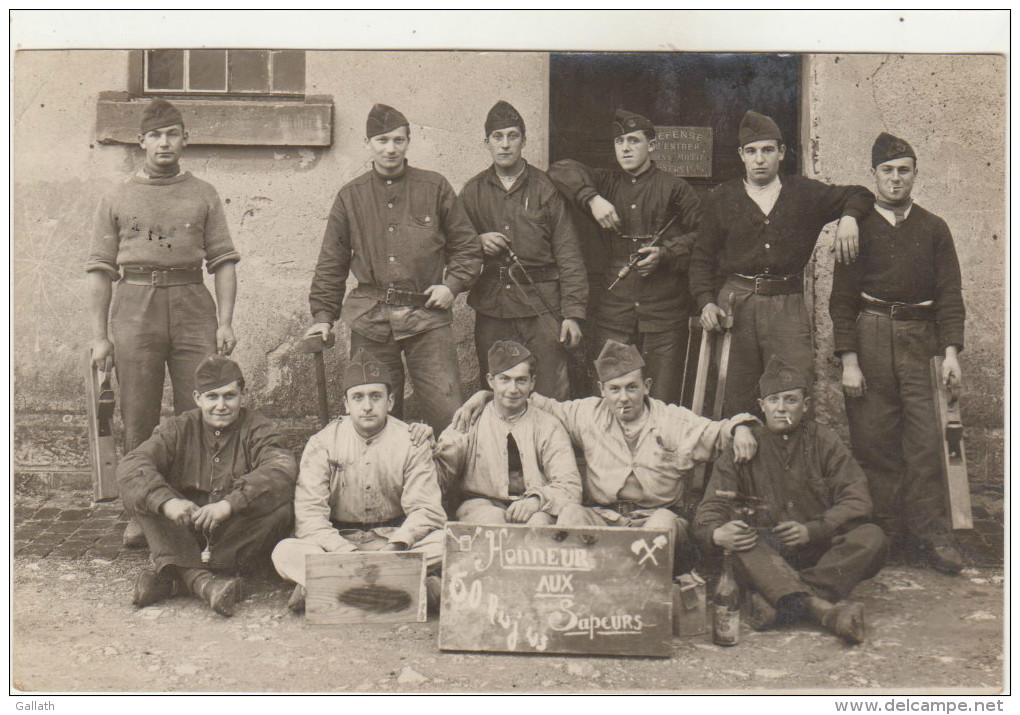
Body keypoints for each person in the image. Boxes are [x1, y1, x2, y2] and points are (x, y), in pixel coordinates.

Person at [452, 339, 759, 574]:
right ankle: (591, 596)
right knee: (570, 514)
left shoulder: (673, 421)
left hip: (655, 519)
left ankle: (638, 598)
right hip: (603, 517)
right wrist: (486, 396)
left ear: (646, 387)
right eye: (614, 389)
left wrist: (742, 426)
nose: (623, 398)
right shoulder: (586, 414)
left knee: (662, 523)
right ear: (602, 389)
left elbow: (719, 433)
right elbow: (526, 399)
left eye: (631, 388)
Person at [87, 97, 240, 547]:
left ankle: (198, 502)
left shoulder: (203, 193)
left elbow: (225, 263)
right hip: (135, 303)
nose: (164, 143)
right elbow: (99, 269)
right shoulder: (116, 196)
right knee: (139, 411)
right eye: (155, 135)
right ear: (141, 142)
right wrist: (99, 337)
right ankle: (142, 511)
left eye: (173, 133)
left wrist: (225, 321)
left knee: (201, 408)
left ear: (185, 140)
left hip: (193, 300)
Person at [829, 133, 966, 574]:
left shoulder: (934, 228)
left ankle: (931, 535)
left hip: (919, 339)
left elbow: (949, 294)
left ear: (914, 174)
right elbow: (842, 300)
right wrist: (848, 360)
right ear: (874, 175)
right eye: (886, 171)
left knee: (926, 443)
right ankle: (883, 534)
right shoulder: (859, 227)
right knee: (873, 440)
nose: (895, 178)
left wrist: (950, 353)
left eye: (903, 170)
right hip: (869, 336)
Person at [306, 103, 482, 434]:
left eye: (398, 140)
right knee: (374, 416)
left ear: (408, 142)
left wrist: (452, 286)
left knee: (448, 413)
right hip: (371, 322)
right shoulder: (350, 196)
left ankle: (450, 483)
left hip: (426, 318)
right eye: (383, 140)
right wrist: (323, 319)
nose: (390, 149)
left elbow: (468, 248)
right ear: (368, 143)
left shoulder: (434, 187)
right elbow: (332, 261)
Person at [693, 356, 889, 644]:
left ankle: (778, 600)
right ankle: (823, 611)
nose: (781, 408)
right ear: (761, 406)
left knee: (872, 537)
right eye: (773, 400)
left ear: (806, 405)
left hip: (817, 550)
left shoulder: (824, 441)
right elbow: (709, 510)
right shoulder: (744, 446)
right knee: (742, 544)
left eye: (791, 400)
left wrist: (813, 529)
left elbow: (857, 500)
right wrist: (717, 533)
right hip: (764, 552)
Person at [690, 110, 874, 416]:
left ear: (782, 153)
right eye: (751, 151)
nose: (759, 159)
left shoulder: (804, 193)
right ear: (741, 155)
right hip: (736, 304)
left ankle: (791, 463)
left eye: (767, 150)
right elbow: (701, 258)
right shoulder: (721, 198)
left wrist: (849, 218)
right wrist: (706, 302)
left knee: (793, 390)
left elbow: (861, 194)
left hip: (787, 307)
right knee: (735, 397)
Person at [118, 355, 296, 617]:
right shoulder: (178, 428)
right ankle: (207, 584)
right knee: (144, 497)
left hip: (234, 533)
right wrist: (168, 503)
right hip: (183, 530)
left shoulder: (259, 428)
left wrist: (229, 505)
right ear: (197, 398)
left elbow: (281, 469)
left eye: (229, 396)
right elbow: (132, 465)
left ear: (242, 395)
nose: (221, 405)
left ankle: (178, 578)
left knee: (282, 509)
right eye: (212, 397)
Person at [271, 349, 446, 613]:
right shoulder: (322, 443)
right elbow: (309, 517)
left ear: (390, 401)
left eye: (376, 397)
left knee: (446, 542)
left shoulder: (412, 441)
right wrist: (347, 554)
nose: (367, 406)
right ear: (346, 404)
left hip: (393, 543)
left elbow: (427, 510)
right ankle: (414, 586)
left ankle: (327, 588)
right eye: (358, 397)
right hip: (338, 545)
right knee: (284, 551)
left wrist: (396, 545)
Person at [548, 109, 702, 404]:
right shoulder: (605, 183)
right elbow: (559, 169)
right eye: (619, 142)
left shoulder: (676, 188)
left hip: (664, 312)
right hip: (614, 310)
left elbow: (705, 238)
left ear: (652, 146)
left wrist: (665, 253)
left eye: (634, 140)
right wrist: (592, 199)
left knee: (661, 399)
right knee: (610, 394)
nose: (626, 148)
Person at [459, 100, 587, 400]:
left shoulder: (546, 189)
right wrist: (477, 242)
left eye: (512, 136)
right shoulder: (472, 191)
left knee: (549, 392)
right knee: (496, 390)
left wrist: (573, 313)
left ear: (524, 141)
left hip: (541, 306)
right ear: (487, 143)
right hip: (493, 306)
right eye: (497, 137)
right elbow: (452, 244)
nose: (505, 144)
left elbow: (569, 253)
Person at [435, 339, 582, 525]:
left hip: (536, 506)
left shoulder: (548, 425)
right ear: (491, 381)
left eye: (521, 380)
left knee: (539, 525)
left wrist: (537, 501)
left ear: (532, 383)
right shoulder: (470, 420)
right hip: (481, 505)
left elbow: (570, 485)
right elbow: (440, 472)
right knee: (493, 522)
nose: (513, 389)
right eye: (504, 379)